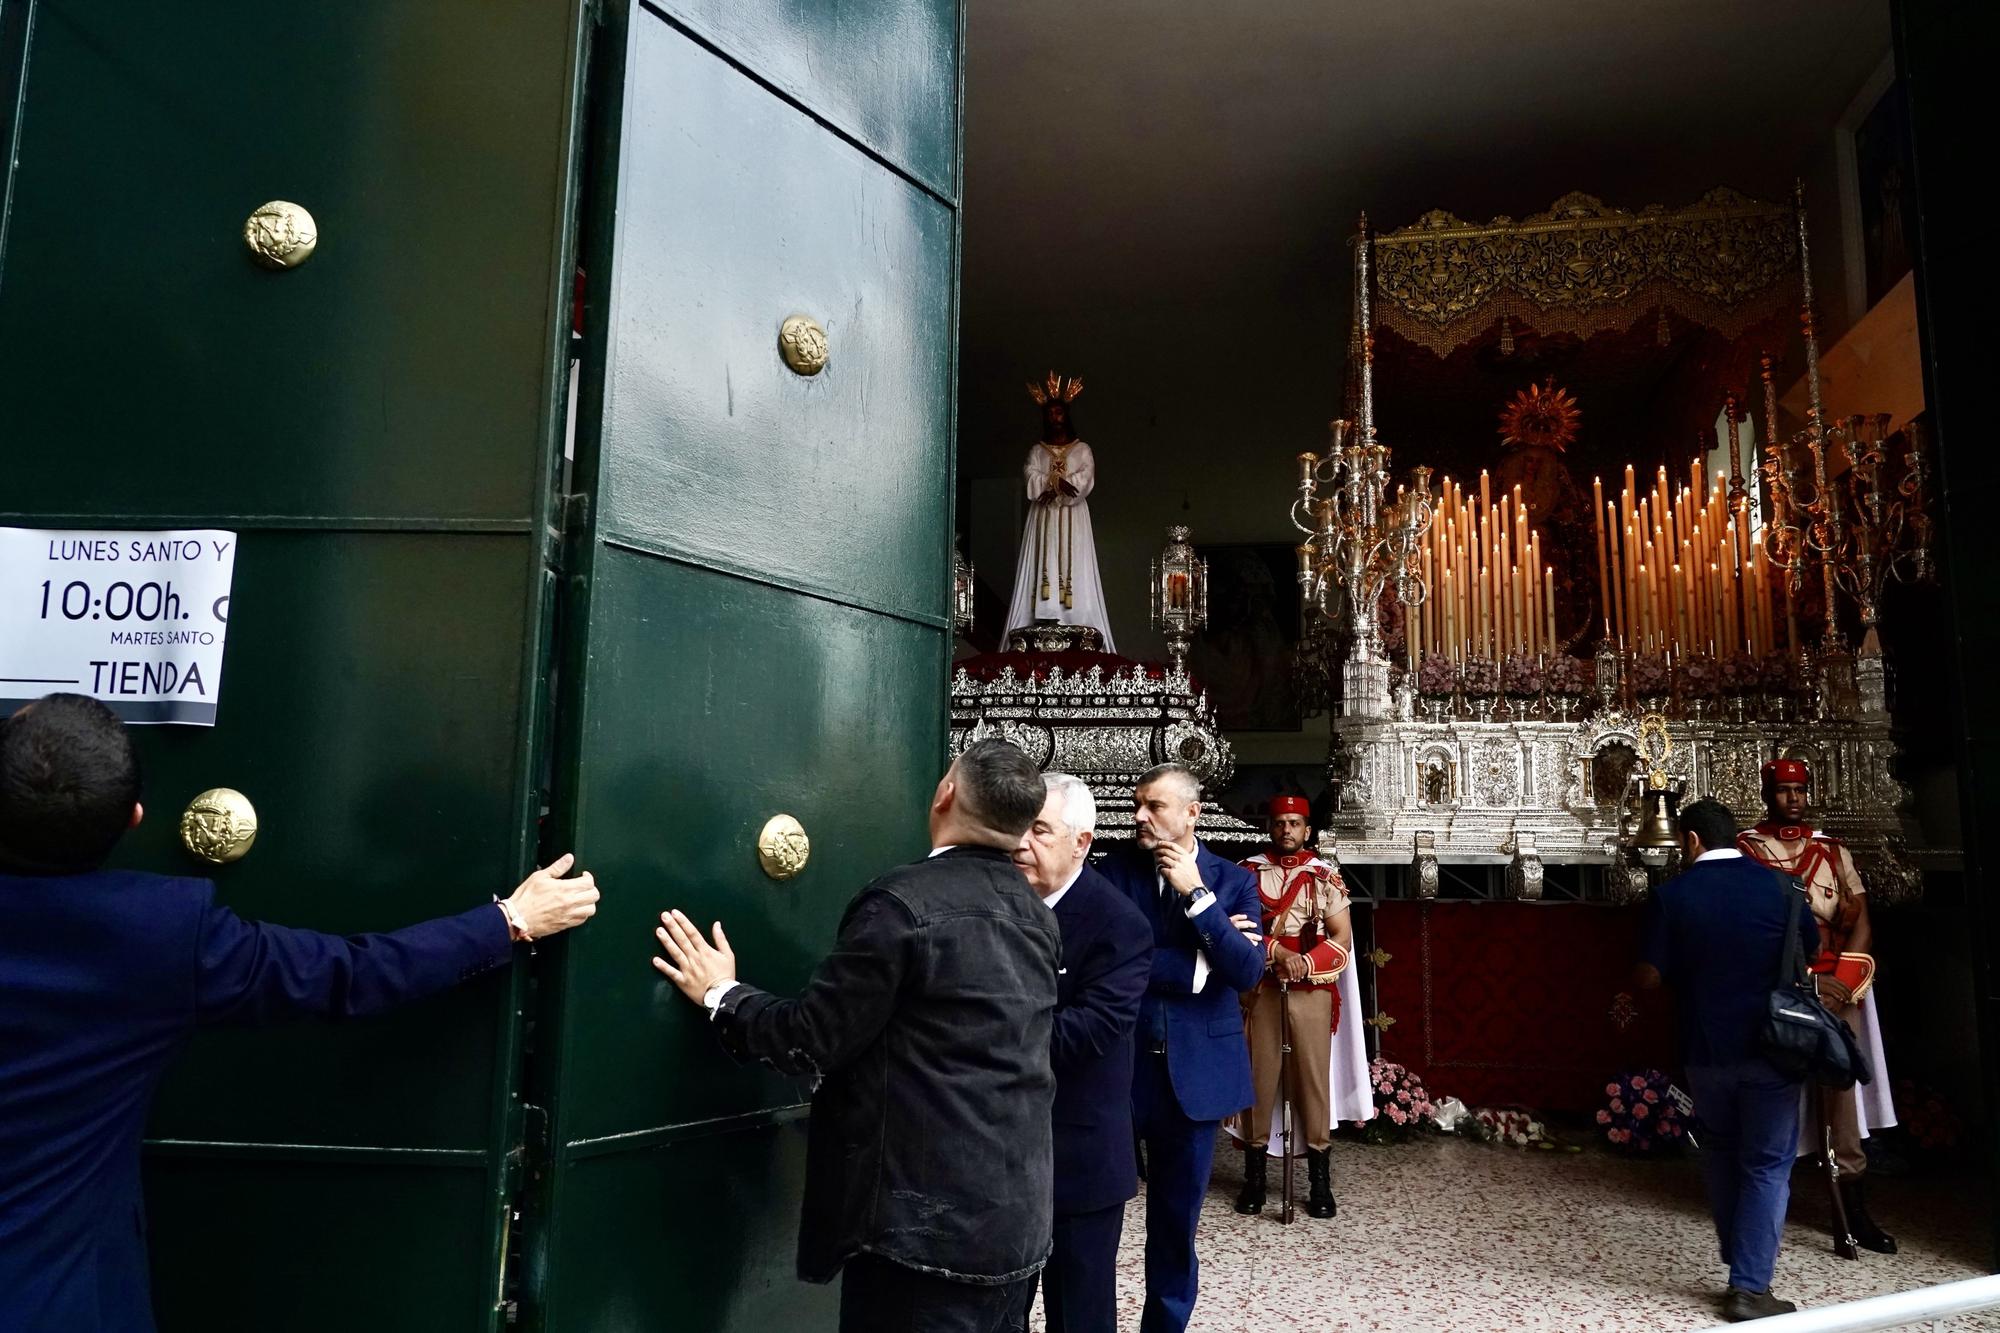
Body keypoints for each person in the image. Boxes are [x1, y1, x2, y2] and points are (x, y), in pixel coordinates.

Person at [0, 693, 601, 1333]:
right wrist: (509, 921)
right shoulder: (162, 935)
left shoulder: (164, 933)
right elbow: (352, 974)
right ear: (136, 819)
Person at [651, 739, 1058, 1333]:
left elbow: (810, 1038)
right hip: (1015, 1224)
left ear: (945, 793)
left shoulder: (903, 904)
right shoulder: (1038, 917)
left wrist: (721, 994)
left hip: (922, 1237)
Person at [1094, 763, 1264, 1333]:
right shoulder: (1114, 873)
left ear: (1191, 813)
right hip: (1116, 1073)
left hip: (1196, 1078)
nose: (1139, 816)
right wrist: (1195, 965)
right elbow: (1105, 965)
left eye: (1154, 806)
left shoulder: (1234, 881)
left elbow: (1244, 972)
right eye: (1137, 804)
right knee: (1095, 1219)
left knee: (1175, 1225)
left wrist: (1197, 896)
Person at [1638, 797, 1820, 1323]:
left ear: (1692, 841)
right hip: (1773, 1047)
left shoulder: (1673, 895)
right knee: (1767, 1162)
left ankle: (1739, 1257)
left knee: (1718, 1149)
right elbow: (1806, 951)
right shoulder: (1783, 888)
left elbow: (1650, 975)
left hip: (1705, 1049)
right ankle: (1748, 1284)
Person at [1738, 757, 1897, 1254]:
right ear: (1768, 793)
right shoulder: (1749, 849)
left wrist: (1842, 981)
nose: (1793, 799)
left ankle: (1852, 1209)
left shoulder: (1831, 850)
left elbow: (1861, 918)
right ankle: (1762, 1203)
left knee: (1841, 1094)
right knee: (1775, 1089)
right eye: (1784, 790)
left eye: (1800, 790)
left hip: (1834, 982)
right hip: (1779, 985)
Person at [1011, 772, 1151, 1333]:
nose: (1022, 843)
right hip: (997, 1157)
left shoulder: (1120, 924)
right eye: (1018, 827)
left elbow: (1088, 1031)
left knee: (1079, 1316)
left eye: (1040, 830)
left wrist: (974, 1039)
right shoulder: (994, 903)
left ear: (1082, 841)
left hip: (1079, 1159)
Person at [1232, 795, 1352, 1220]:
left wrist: (1304, 961)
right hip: (1263, 989)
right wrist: (1278, 952)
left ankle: (1320, 1181)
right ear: (1271, 827)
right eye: (1280, 822)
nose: (1287, 830)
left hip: (1310, 990)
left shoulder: (1324, 877)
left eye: (1295, 823)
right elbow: (1237, 931)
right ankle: (1255, 1179)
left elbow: (1341, 939)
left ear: (1308, 830)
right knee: (1259, 1080)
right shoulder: (1247, 873)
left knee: (1312, 1082)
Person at [1003, 371, 1115, 650]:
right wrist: (1051, 483)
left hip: (1072, 514)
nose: (1055, 418)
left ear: (1067, 415)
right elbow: (1030, 474)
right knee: (1044, 557)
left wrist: (1067, 485)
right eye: (1050, 413)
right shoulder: (1037, 451)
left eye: (1059, 412)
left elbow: (1085, 476)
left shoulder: (1082, 449)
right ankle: (1043, 612)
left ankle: (1075, 617)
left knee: (1073, 560)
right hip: (1044, 515)